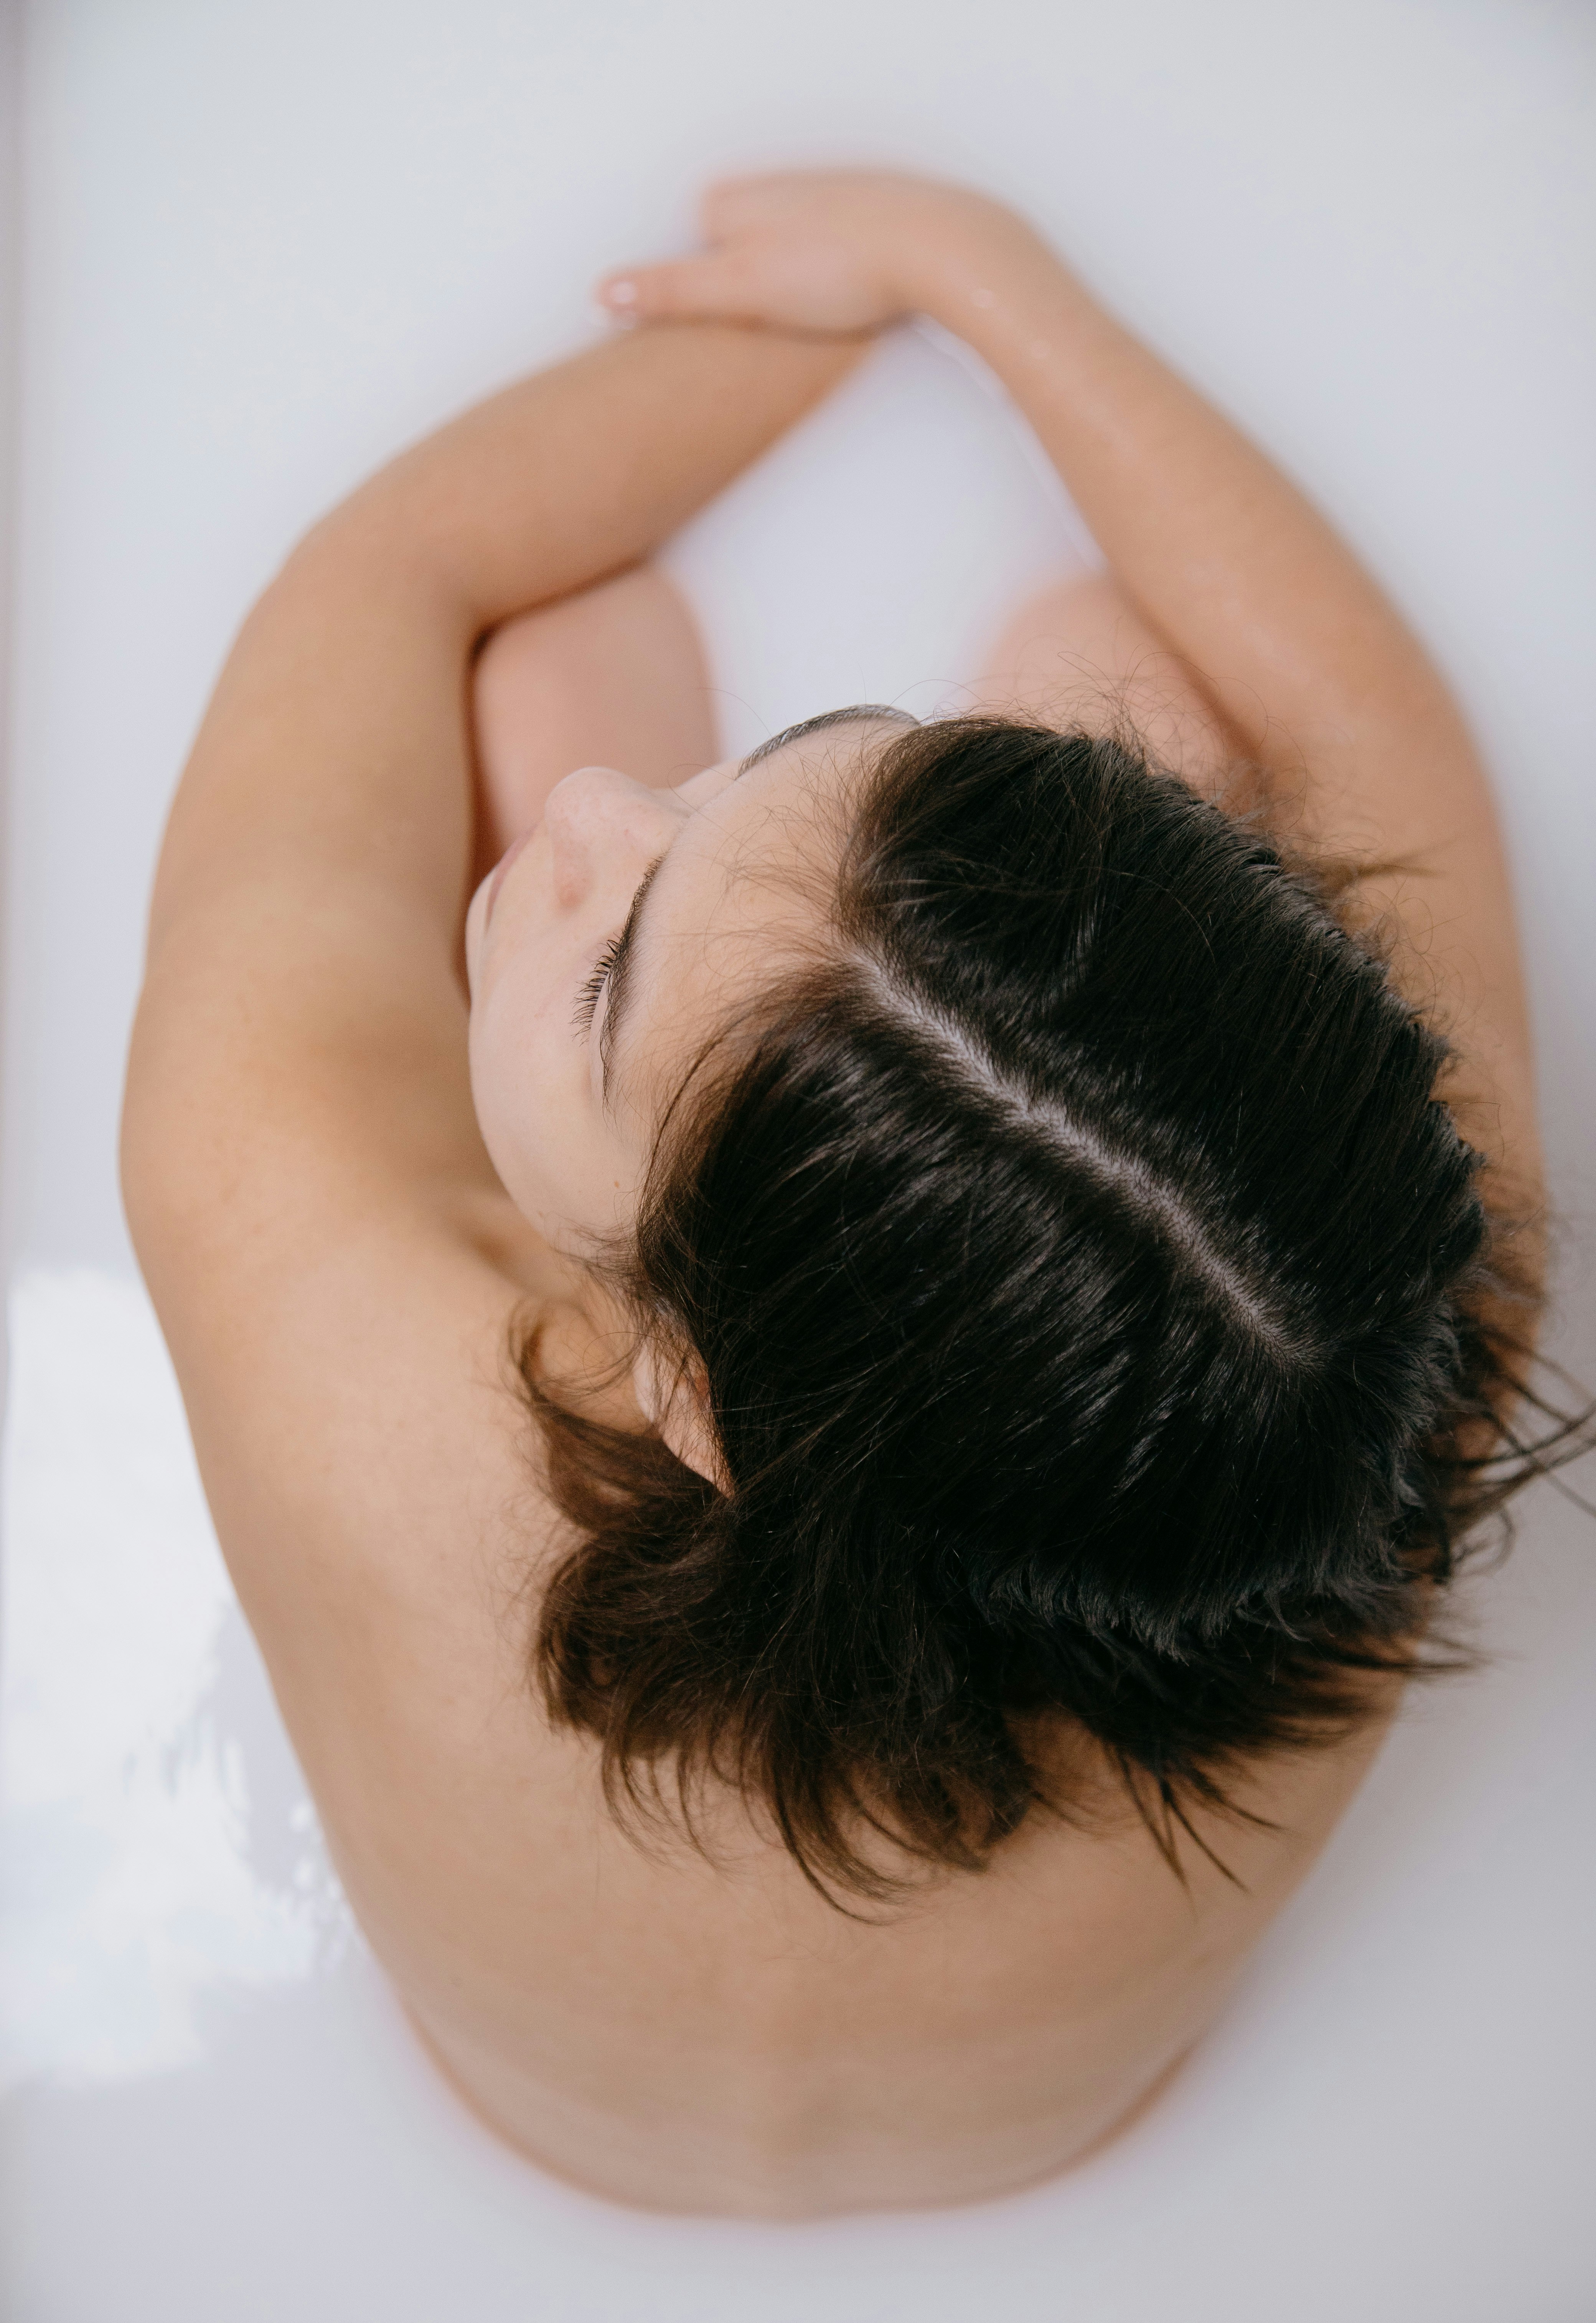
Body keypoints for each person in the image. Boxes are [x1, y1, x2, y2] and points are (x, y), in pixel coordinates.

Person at [122, 171, 1566, 2219]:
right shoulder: (1344, 1401)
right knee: (1118, 661)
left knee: (564, 645)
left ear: (683, 1396)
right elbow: (1360, 727)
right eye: (793, 751)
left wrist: (889, 288)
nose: (607, 816)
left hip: (514, 2118)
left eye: (608, 971)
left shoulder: (319, 1298)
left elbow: (396, 577)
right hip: (1073, 2135)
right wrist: (971, 278)